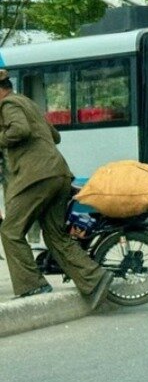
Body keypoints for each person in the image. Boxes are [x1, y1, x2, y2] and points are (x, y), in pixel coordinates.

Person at [0, 69, 112, 307]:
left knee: (10, 230)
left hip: (36, 177)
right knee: (55, 235)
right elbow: (55, 136)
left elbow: (19, 130)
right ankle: (95, 279)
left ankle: (32, 285)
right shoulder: (26, 102)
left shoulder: (8, 105)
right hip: (58, 173)